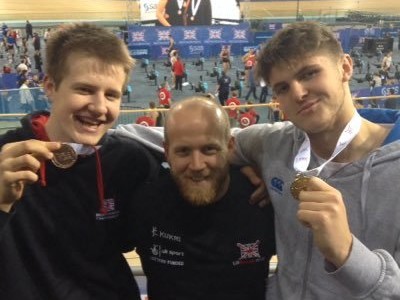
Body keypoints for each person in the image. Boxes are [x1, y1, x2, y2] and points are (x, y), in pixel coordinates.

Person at [233, 21, 400, 299]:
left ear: (345, 67)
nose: (298, 93)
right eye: (283, 88)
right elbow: (204, 140)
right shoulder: (275, 144)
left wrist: (346, 253)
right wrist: (246, 167)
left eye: (310, 73)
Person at [0, 23, 158, 300]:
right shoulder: (5, 158)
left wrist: (246, 164)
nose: (99, 107)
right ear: (50, 86)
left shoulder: (131, 162)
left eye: (112, 95)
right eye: (85, 90)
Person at [124, 97, 275, 300]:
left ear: (230, 147)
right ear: (167, 152)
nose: (196, 165)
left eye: (209, 149)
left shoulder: (264, 200)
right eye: (183, 151)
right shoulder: (143, 203)